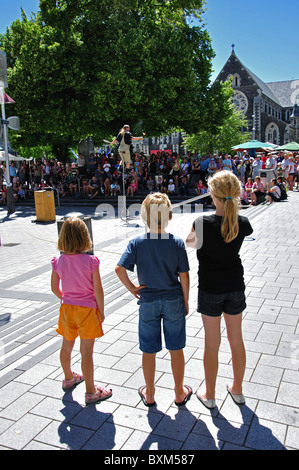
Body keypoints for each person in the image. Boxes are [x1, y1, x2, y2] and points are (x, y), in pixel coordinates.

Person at [115, 193, 192, 407]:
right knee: (176, 347)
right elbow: (184, 275)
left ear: (144, 216)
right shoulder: (176, 243)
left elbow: (119, 269)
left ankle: (149, 392)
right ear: (168, 216)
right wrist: (186, 300)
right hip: (173, 299)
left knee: (148, 349)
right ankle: (178, 392)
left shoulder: (137, 243)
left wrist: (132, 289)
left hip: (148, 301)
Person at [186, 171, 253, 409]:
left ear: (212, 195)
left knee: (211, 342)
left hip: (210, 288)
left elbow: (189, 243)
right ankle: (238, 389)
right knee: (237, 340)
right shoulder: (242, 223)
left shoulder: (202, 223)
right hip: (235, 284)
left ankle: (210, 394)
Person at [51, 217, 112, 404]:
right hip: (87, 310)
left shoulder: (58, 261)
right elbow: (98, 290)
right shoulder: (91, 261)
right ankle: (91, 391)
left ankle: (69, 378)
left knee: (66, 345)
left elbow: (54, 288)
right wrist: (101, 311)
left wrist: (66, 297)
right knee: (86, 352)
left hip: (67, 308)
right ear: (85, 236)